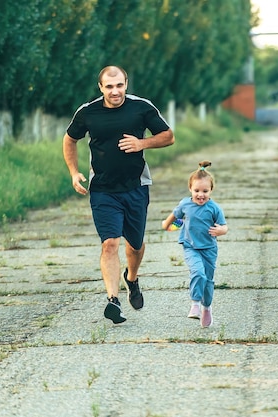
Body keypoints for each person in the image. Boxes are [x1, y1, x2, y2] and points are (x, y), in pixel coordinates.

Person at [62, 65, 175, 324]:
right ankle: (113, 300)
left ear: (126, 83)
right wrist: (73, 172)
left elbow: (168, 136)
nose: (115, 91)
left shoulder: (141, 107)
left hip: (136, 187)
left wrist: (142, 143)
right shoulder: (88, 112)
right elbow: (70, 139)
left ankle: (132, 279)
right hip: (102, 189)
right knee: (110, 243)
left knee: (134, 245)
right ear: (100, 87)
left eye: (119, 85)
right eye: (109, 86)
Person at [162, 161, 228, 327]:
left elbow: (224, 226)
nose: (201, 195)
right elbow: (175, 215)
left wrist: (221, 231)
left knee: (208, 280)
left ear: (211, 190)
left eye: (205, 191)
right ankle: (195, 304)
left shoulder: (214, 208)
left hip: (209, 249)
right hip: (190, 246)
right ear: (190, 189)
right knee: (198, 273)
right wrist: (166, 224)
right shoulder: (185, 204)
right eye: (197, 190)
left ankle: (207, 307)